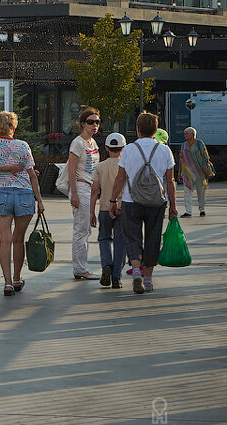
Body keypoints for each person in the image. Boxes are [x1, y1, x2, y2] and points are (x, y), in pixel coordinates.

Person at [110, 112, 178, 294]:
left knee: (132, 237)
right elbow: (170, 181)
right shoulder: (165, 150)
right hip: (157, 202)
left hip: (131, 201)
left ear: (138, 129)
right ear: (156, 130)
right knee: (153, 238)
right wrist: (173, 205)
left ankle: (137, 271)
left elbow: (120, 178)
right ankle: (148, 279)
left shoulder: (130, 149)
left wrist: (112, 199)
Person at [0, 110, 45, 296]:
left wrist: (3, 168)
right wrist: (39, 200)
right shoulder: (23, 146)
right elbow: (32, 175)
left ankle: (7, 283)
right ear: (13, 127)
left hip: (1, 193)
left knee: (5, 240)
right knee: (18, 240)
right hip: (24, 194)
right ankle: (17, 279)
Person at [66, 107, 102, 280]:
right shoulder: (78, 143)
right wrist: (74, 193)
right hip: (80, 187)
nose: (94, 125)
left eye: (97, 122)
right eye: (90, 122)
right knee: (81, 230)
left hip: (89, 188)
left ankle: (80, 267)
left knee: (86, 229)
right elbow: (71, 170)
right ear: (82, 124)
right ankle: (80, 268)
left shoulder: (93, 143)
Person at [90, 132, 127, 289]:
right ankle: (117, 277)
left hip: (104, 208)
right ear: (123, 148)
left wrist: (91, 211)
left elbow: (94, 191)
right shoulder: (126, 166)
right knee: (120, 242)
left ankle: (106, 265)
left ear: (106, 147)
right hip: (122, 208)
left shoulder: (99, 167)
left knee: (104, 239)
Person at [179, 127, 212, 218]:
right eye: (184, 133)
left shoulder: (199, 143)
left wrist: (207, 170)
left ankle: (202, 210)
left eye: (187, 133)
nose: (185, 135)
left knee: (200, 191)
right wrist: (180, 173)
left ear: (193, 134)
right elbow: (181, 159)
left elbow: (205, 157)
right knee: (186, 192)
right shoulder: (183, 145)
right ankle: (188, 211)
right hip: (187, 172)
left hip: (199, 171)